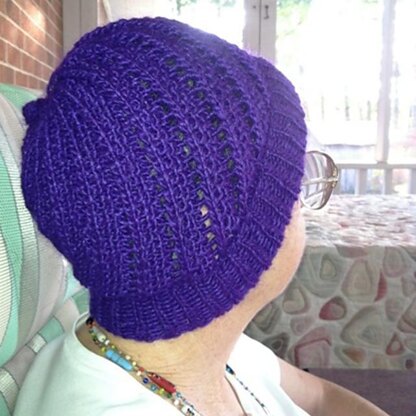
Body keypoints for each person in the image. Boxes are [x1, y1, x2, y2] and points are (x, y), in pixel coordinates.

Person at [14, 17, 388, 416]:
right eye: (290, 182)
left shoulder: (212, 346)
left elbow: (321, 398)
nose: (301, 199)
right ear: (213, 231)